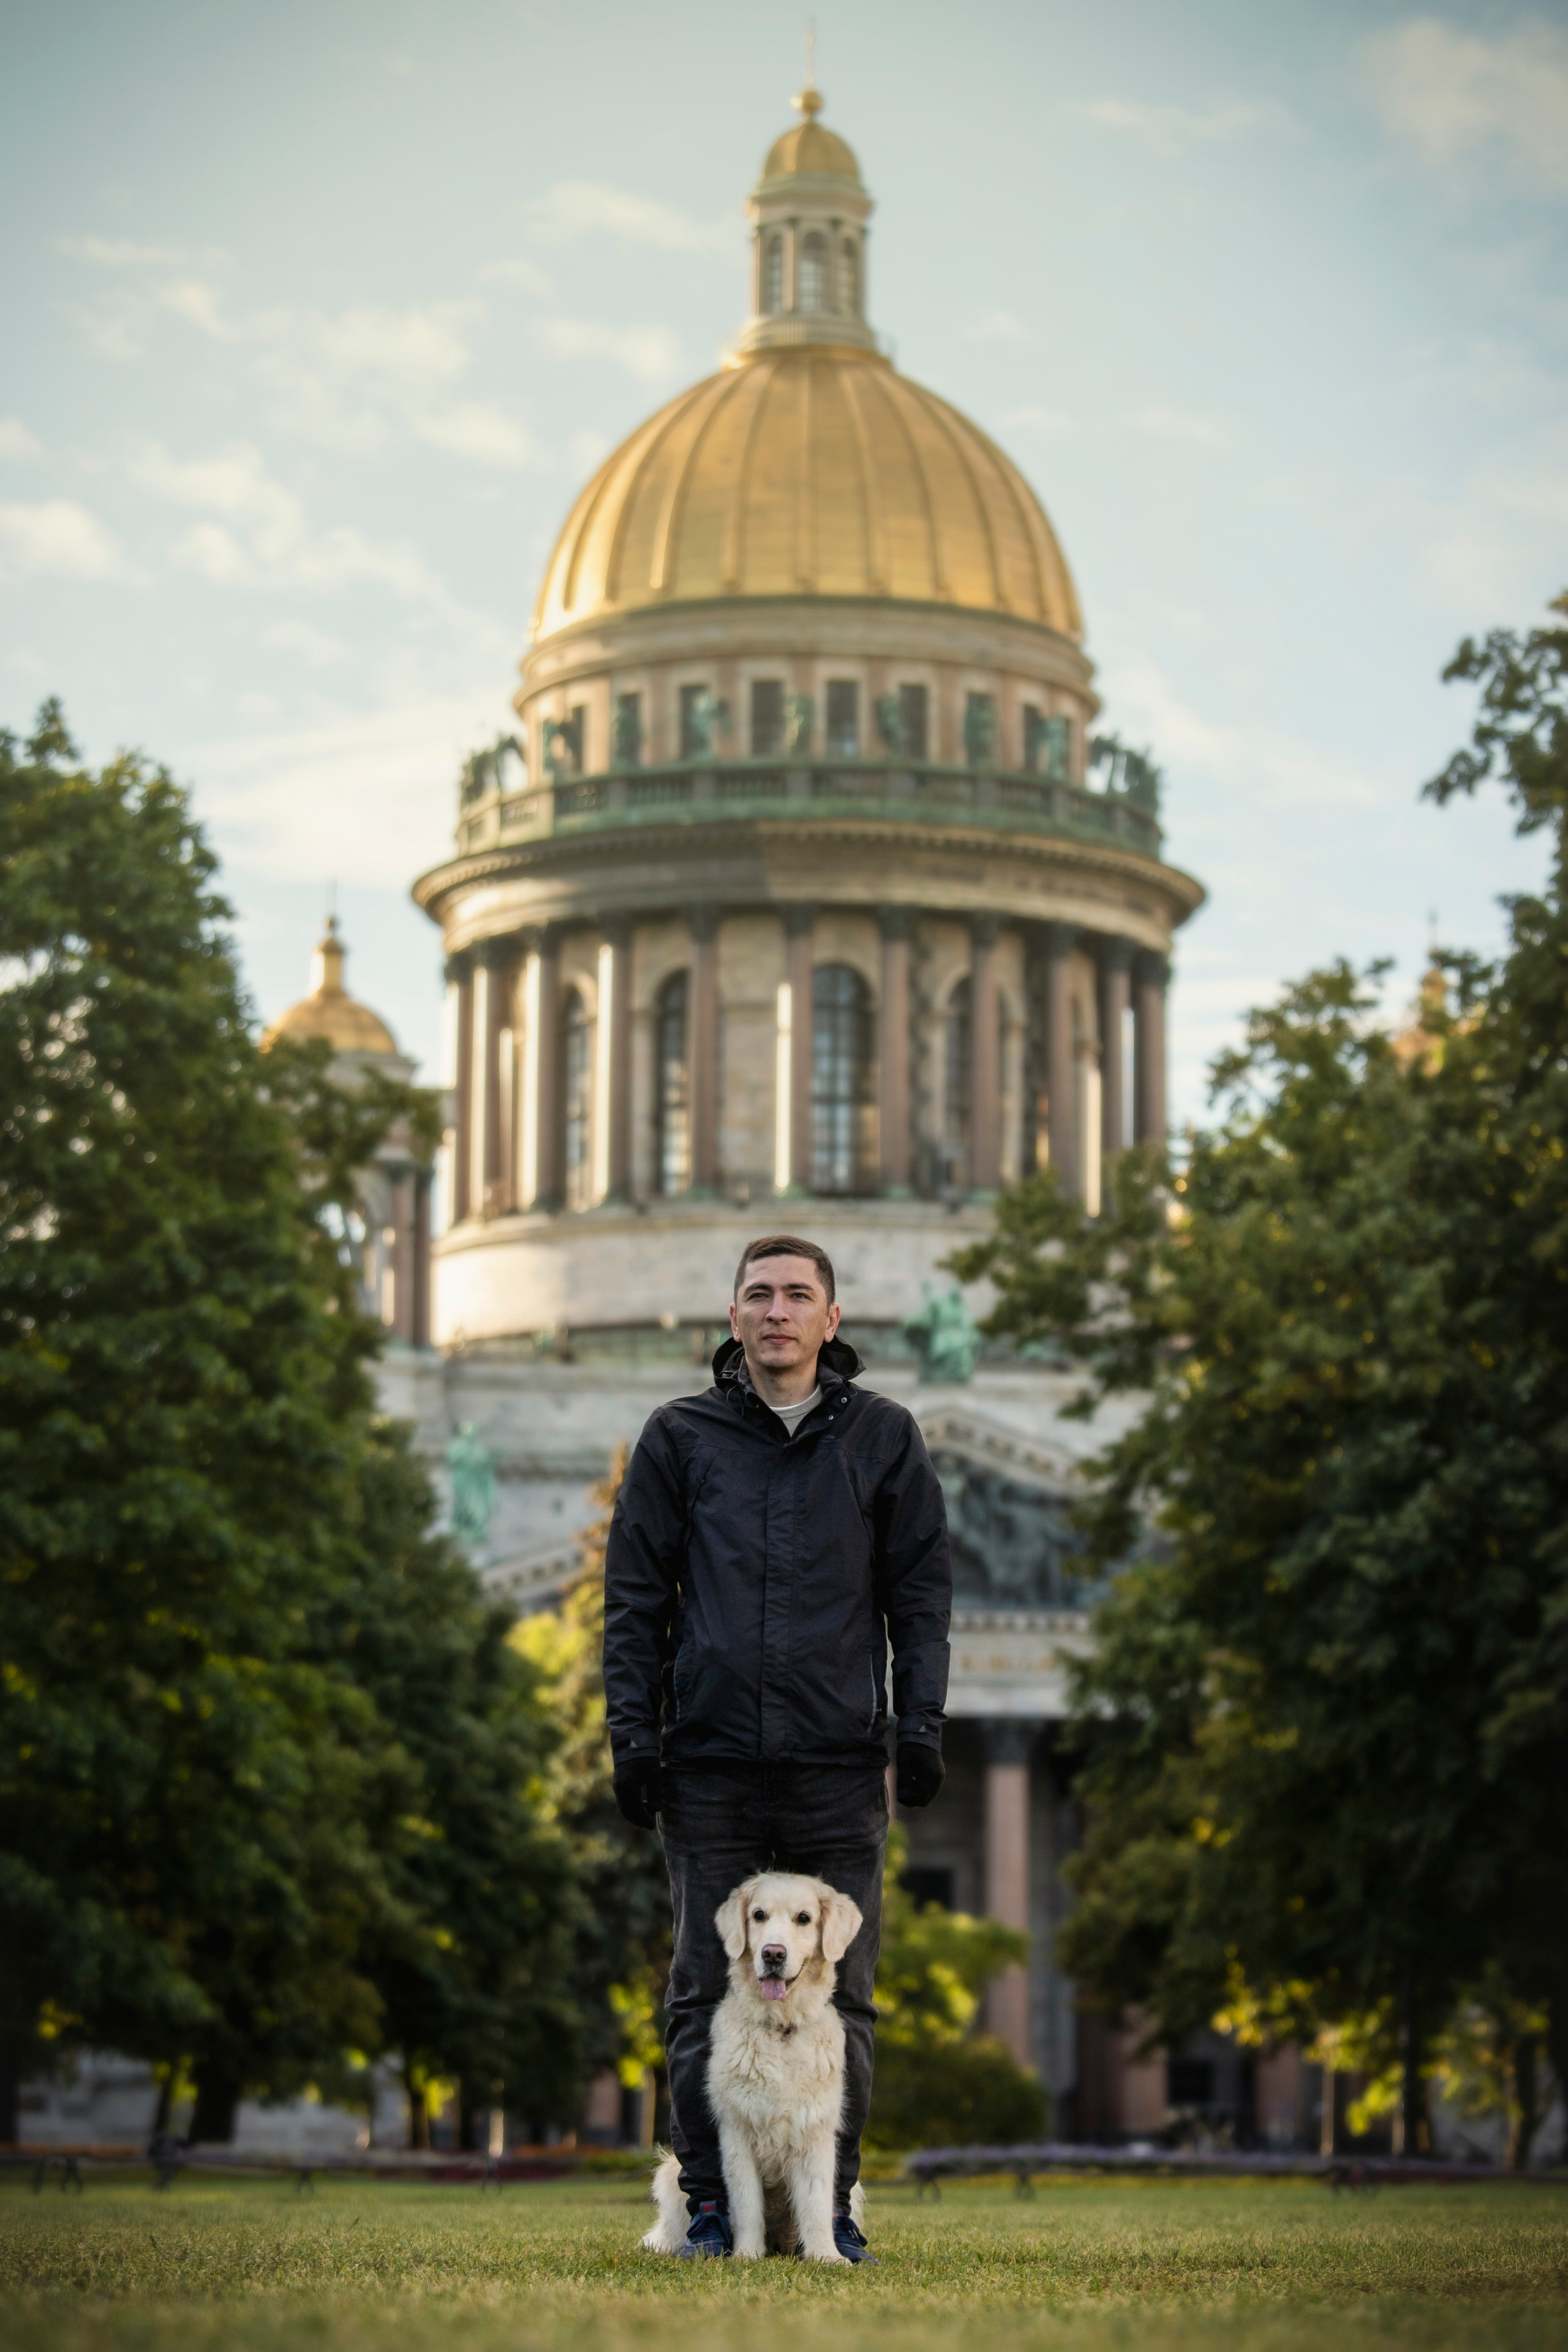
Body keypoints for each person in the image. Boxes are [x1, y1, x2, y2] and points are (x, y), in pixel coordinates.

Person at [603, 1234, 952, 2263]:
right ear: (733, 1316)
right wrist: (635, 1736)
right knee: (701, 1993)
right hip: (709, 1762)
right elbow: (633, 1603)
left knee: (843, 1993)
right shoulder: (679, 1437)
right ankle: (710, 2206)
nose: (778, 1312)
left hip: (837, 1764)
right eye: (759, 1294)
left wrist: (919, 1729)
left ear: (832, 1321)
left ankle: (830, 2208)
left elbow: (920, 1598)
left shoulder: (885, 1438)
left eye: (799, 1296)